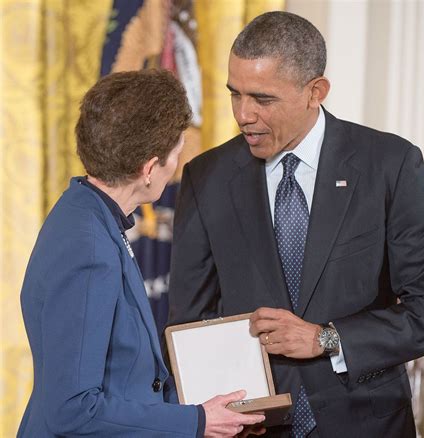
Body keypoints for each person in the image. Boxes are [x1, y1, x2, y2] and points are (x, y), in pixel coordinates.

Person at [167, 11, 424, 438]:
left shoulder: (388, 164)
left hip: (367, 424)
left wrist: (327, 338)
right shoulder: (206, 177)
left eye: (262, 99)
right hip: (251, 428)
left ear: (315, 92)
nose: (243, 114)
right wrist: (219, 412)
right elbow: (190, 324)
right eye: (235, 94)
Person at [17, 69, 264, 437]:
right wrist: (197, 421)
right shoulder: (89, 246)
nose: (176, 166)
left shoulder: (88, 213)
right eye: (177, 153)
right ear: (149, 169)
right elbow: (72, 410)